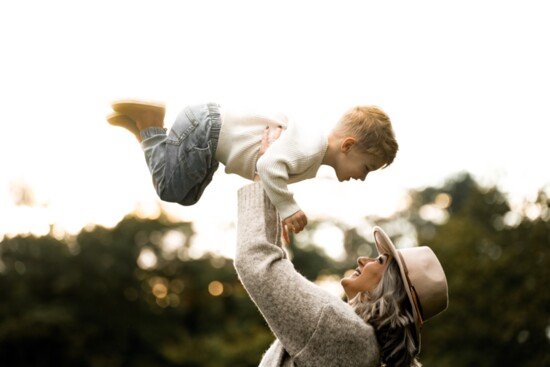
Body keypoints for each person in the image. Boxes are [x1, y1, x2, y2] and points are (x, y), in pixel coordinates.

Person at [233, 129, 448, 366]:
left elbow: (256, 262)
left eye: (379, 261)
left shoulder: (344, 333)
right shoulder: (363, 349)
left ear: (392, 289)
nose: (363, 261)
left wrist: (264, 174)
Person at [106, 99, 398, 235]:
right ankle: (149, 124)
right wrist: (289, 209)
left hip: (207, 134)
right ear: (347, 146)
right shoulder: (310, 149)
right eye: (367, 168)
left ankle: (146, 129)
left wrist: (277, 216)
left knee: (187, 195)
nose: (362, 177)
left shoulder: (310, 149)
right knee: (170, 189)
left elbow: (270, 177)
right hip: (207, 131)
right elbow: (269, 165)